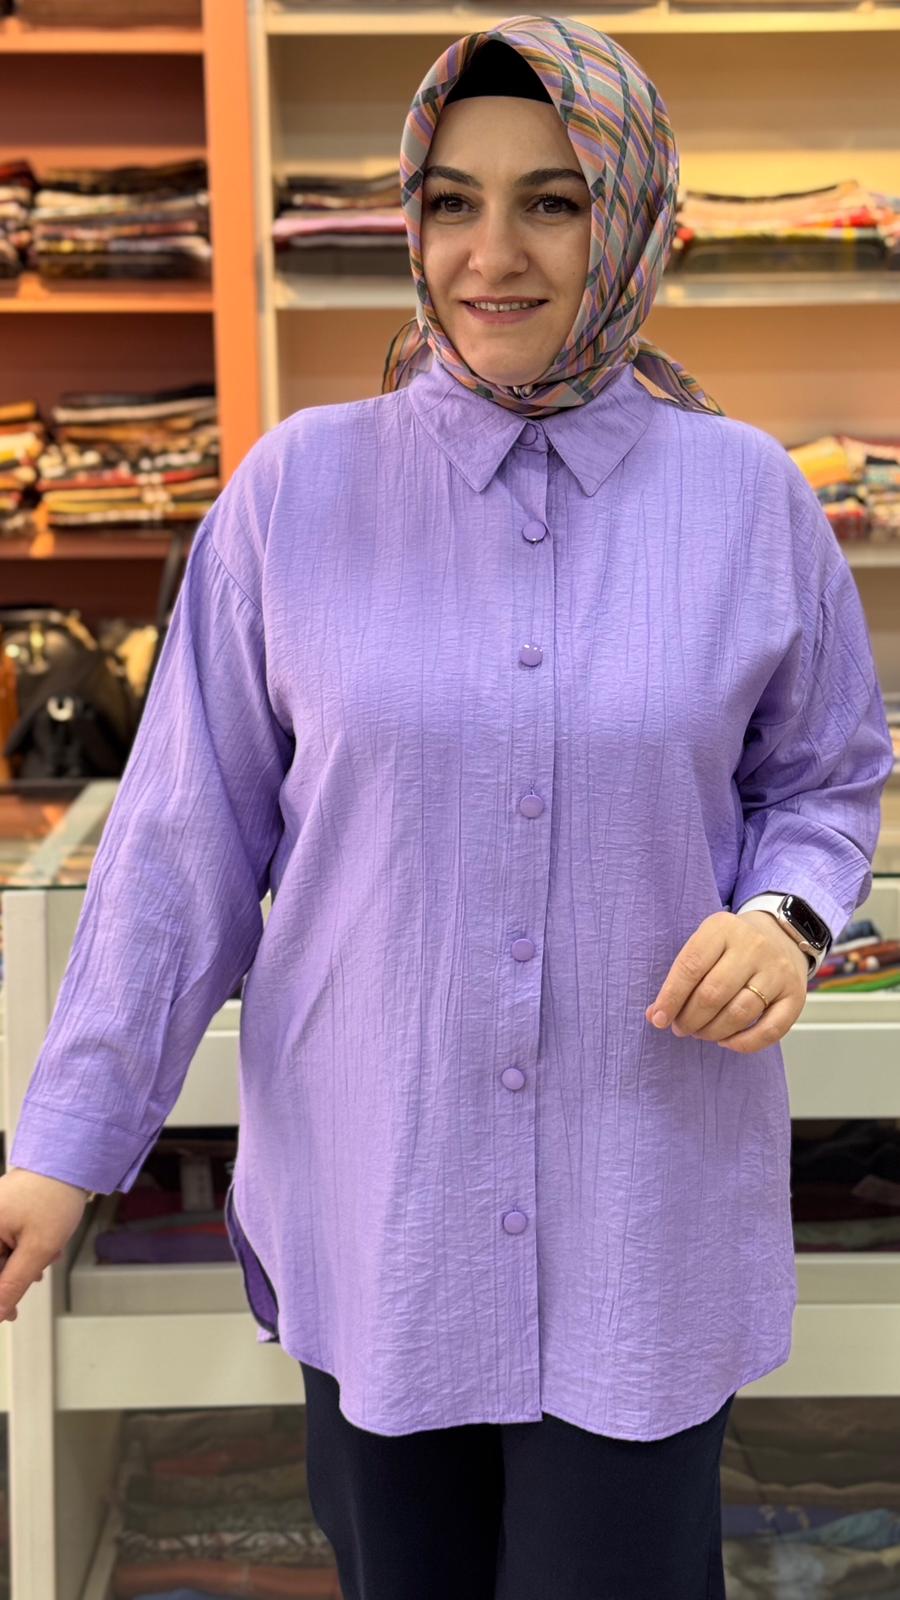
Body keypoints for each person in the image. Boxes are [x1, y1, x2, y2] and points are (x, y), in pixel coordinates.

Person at [0, 15, 894, 1600]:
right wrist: (67, 1148)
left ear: (634, 219)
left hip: (643, 1207)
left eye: (553, 201)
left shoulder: (748, 499)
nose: (494, 255)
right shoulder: (295, 492)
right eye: (451, 202)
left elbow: (825, 777)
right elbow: (181, 849)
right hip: (383, 1204)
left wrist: (784, 916)